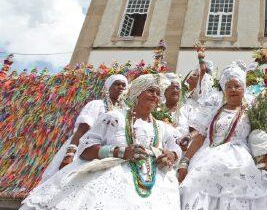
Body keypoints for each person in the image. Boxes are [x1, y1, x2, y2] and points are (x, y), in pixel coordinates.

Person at [21, 73, 182, 209]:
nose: (155, 96)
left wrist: (171, 155)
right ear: (138, 93)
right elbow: (85, 148)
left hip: (153, 183)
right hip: (109, 177)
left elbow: (176, 147)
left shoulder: (162, 127)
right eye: (151, 91)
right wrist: (120, 152)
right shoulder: (114, 117)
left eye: (158, 93)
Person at [179, 64, 267, 210]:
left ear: (244, 89)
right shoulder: (213, 110)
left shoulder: (252, 111)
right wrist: (185, 162)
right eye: (229, 87)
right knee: (192, 186)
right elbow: (200, 137)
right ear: (224, 90)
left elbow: (262, 137)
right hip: (209, 155)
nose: (233, 90)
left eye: (237, 86)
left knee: (237, 195)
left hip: (242, 159)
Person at [40, 74, 129, 182]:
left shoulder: (125, 111)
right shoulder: (97, 105)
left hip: (110, 154)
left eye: (123, 85)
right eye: (117, 84)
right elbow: (82, 129)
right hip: (85, 150)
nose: (120, 87)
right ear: (108, 87)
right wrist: (70, 154)